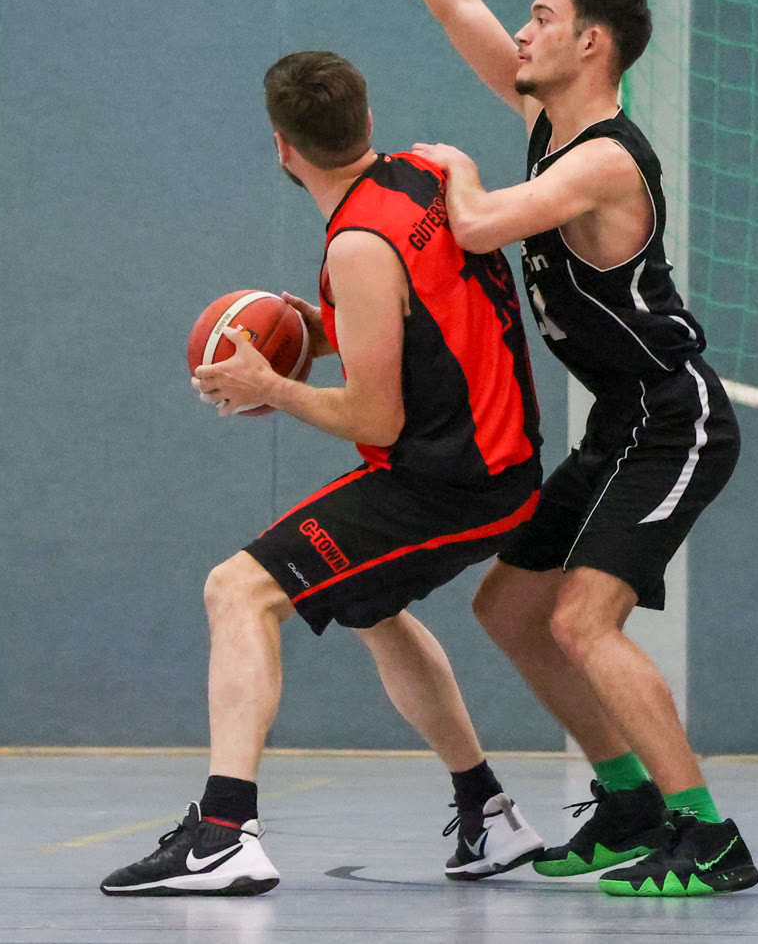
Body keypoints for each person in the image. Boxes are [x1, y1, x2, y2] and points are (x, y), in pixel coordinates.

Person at [326, 0, 757, 897]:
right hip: (621, 424)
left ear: (590, 43)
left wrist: (452, 165)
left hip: (675, 420)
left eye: (541, 18)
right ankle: (625, 802)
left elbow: (475, 222)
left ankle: (708, 835)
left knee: (582, 619)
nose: (519, 31)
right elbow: (452, 0)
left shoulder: (604, 157)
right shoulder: (548, 120)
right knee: (510, 609)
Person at [101, 51, 547, 896]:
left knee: (237, 590)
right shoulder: (425, 175)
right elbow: (431, 320)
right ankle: (487, 814)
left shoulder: (357, 246)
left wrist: (270, 385)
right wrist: (330, 326)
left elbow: (376, 420)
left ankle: (223, 835)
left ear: (282, 147)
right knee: (369, 606)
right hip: (503, 464)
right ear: (367, 121)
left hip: (450, 485)